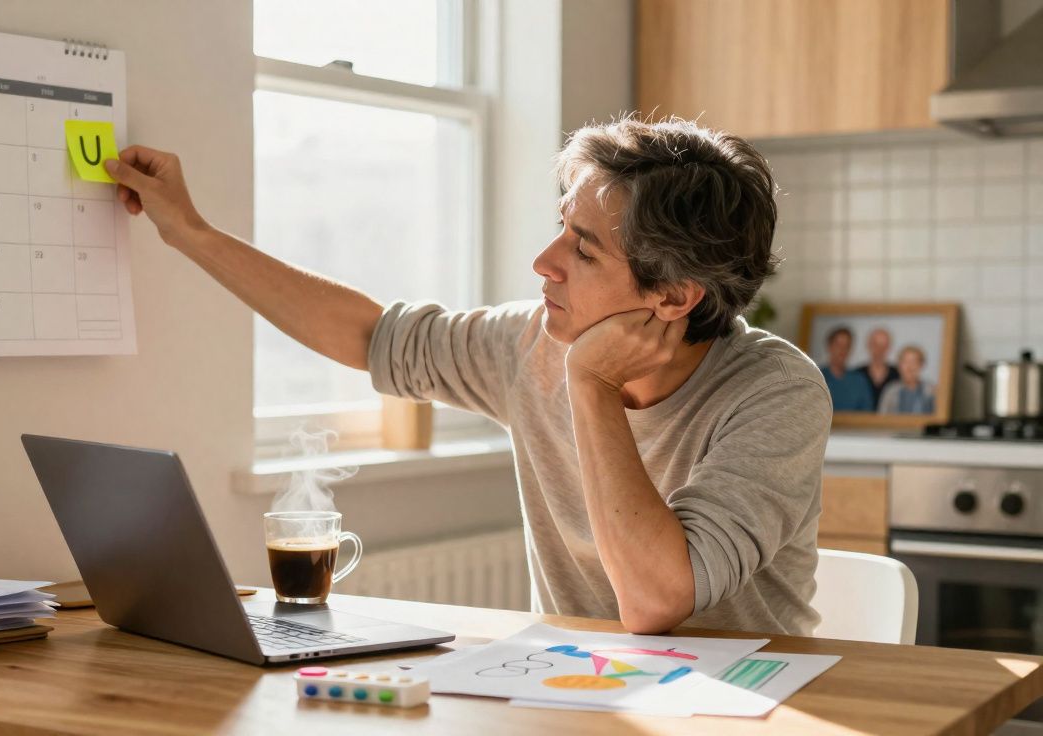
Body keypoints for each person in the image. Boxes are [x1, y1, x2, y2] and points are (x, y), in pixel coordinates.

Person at [102, 115, 832, 636]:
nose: (543, 263)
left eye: (582, 250)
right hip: (585, 689)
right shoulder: (525, 343)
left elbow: (653, 602)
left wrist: (592, 387)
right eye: (559, 228)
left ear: (673, 297)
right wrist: (188, 231)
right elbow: (368, 335)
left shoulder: (776, 393)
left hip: (751, 705)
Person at [818, 327, 873, 411]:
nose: (842, 350)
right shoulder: (817, 377)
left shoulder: (859, 381)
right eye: (838, 345)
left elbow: (866, 415)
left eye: (847, 346)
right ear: (829, 346)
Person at [878, 346, 936, 414]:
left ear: (921, 365)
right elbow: (882, 417)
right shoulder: (890, 391)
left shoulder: (931, 391)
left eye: (914, 362)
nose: (909, 367)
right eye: (905, 362)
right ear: (899, 365)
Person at [852, 327, 899, 410]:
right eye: (875, 345)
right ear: (868, 345)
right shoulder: (856, 374)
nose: (879, 350)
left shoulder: (898, 374)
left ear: (889, 348)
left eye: (883, 346)